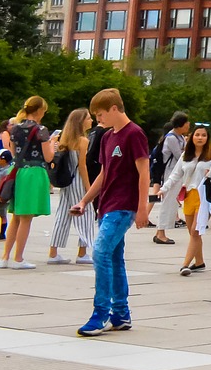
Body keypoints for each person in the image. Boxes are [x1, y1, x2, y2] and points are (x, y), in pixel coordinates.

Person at [70, 88, 150, 336]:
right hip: (106, 205)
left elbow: (144, 173)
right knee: (114, 258)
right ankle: (121, 314)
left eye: (101, 114)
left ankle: (100, 313)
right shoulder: (106, 137)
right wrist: (84, 201)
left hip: (123, 206)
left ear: (114, 108)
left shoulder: (134, 134)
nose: (98, 119)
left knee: (101, 253)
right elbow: (104, 175)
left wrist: (141, 209)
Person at [0, 97, 54, 270]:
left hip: (19, 171)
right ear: (39, 110)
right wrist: (52, 143)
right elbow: (49, 157)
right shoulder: (41, 130)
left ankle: (5, 257)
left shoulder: (15, 128)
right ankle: (19, 258)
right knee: (26, 217)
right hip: (34, 172)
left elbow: (13, 152)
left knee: (16, 216)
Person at [46, 108, 93, 264]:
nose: (91, 120)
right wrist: (89, 187)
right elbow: (82, 166)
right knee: (86, 214)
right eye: (88, 118)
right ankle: (82, 252)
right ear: (81, 122)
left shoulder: (64, 140)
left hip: (66, 182)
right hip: (78, 181)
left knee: (63, 215)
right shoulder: (83, 140)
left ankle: (53, 252)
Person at [171, 124, 211, 276]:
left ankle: (185, 264)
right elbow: (176, 174)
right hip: (189, 196)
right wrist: (164, 189)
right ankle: (199, 262)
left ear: (207, 138)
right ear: (191, 137)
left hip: (204, 197)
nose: (200, 138)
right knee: (192, 232)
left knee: (196, 232)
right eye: (197, 135)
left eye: (203, 135)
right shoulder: (186, 156)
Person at [150, 112, 190, 246]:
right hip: (170, 173)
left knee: (171, 203)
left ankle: (160, 232)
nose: (188, 125)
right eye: (186, 123)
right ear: (181, 124)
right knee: (168, 203)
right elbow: (181, 156)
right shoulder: (172, 138)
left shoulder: (178, 137)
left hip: (174, 173)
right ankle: (161, 233)